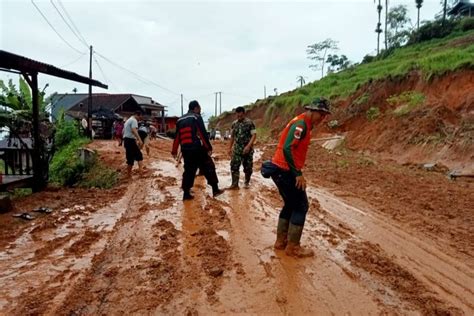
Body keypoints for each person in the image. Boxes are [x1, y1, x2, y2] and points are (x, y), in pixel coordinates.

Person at [270, 97, 330, 258]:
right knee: (301, 206)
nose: (323, 118)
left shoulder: (303, 123)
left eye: (325, 115)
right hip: (286, 171)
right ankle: (293, 247)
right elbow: (288, 149)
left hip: (280, 169)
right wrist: (297, 174)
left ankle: (281, 241)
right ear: (312, 111)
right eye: (321, 114)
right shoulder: (301, 125)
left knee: (290, 204)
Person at [171, 100, 224, 200]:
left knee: (188, 171)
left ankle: (186, 194)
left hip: (185, 150)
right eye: (199, 108)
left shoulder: (179, 120)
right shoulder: (196, 117)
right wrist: (208, 147)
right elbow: (202, 133)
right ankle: (215, 190)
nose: (200, 110)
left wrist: (174, 151)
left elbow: (177, 137)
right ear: (195, 108)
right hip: (197, 148)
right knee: (209, 166)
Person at [228, 106, 256, 189]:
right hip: (237, 149)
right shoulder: (234, 124)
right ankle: (235, 184)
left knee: (248, 168)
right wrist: (229, 148)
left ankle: (247, 182)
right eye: (237, 115)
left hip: (247, 150)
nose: (239, 117)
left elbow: (254, 135)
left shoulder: (250, 123)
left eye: (240, 115)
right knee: (234, 166)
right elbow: (232, 137)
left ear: (244, 114)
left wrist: (248, 146)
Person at [123, 111, 144, 177]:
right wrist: (140, 140)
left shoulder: (128, 120)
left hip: (126, 140)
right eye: (140, 116)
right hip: (130, 140)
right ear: (137, 115)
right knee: (139, 155)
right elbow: (133, 130)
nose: (140, 118)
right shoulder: (134, 120)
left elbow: (123, 131)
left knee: (130, 158)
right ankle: (141, 173)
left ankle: (128, 175)